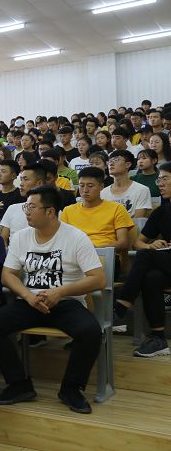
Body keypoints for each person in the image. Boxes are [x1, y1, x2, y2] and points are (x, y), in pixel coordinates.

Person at [0, 186, 105, 414]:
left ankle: (71, 389)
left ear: (50, 211)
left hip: (66, 303)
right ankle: (19, 384)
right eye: (26, 206)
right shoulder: (21, 236)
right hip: (30, 301)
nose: (26, 211)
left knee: (91, 331)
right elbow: (7, 275)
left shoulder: (76, 237)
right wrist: (27, 295)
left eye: (31, 207)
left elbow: (98, 279)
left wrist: (60, 292)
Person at [113, 162, 171, 357]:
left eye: (165, 179)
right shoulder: (161, 212)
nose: (159, 184)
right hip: (167, 263)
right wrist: (150, 245)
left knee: (146, 258)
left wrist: (147, 251)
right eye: (159, 180)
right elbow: (138, 243)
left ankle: (121, 306)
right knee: (151, 277)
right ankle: (159, 338)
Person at [61, 167, 133, 252]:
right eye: (81, 185)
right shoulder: (68, 211)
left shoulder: (117, 208)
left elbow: (123, 243)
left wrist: (96, 249)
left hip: (104, 254)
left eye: (90, 186)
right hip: (75, 253)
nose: (85, 190)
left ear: (101, 186)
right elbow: (62, 240)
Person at [0, 164, 48, 246]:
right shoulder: (12, 209)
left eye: (26, 179)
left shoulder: (51, 211)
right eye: (21, 179)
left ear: (40, 183)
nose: (21, 184)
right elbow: (3, 239)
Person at [101, 150, 152, 219]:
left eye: (116, 160)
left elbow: (138, 220)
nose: (111, 163)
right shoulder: (103, 193)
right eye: (109, 161)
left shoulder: (141, 190)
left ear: (127, 165)